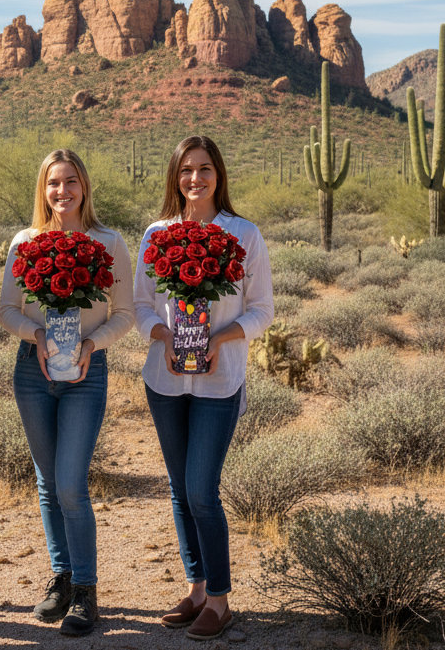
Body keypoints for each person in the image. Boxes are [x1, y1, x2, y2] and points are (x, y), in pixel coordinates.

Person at [133, 135, 273, 641]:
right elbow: (141, 305)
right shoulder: (157, 234)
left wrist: (219, 339)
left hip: (219, 379)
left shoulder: (243, 234)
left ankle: (219, 599)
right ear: (175, 176)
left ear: (219, 175)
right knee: (179, 489)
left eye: (205, 168)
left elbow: (262, 310)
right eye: (187, 169)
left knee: (201, 490)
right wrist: (164, 335)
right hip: (165, 378)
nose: (196, 178)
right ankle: (195, 589)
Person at [0, 149, 134, 637]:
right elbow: (8, 310)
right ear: (43, 188)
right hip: (32, 372)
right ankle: (61, 577)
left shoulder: (109, 242)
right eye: (54, 182)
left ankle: (85, 591)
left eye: (71, 181)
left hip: (86, 373)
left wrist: (91, 344)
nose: (63, 191)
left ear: (84, 186)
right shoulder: (25, 242)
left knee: (71, 484)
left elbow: (125, 313)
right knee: (47, 482)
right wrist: (36, 335)